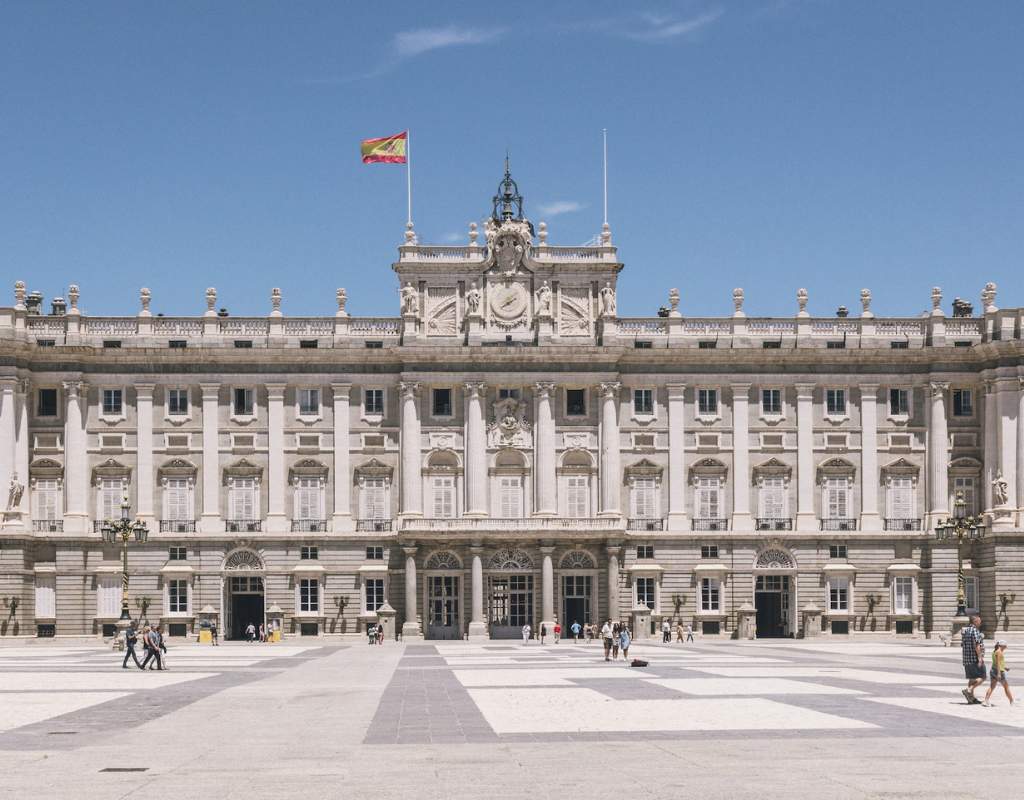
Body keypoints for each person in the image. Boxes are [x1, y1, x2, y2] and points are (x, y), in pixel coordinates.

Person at [961, 613, 987, 705]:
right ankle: (969, 690)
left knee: (972, 679)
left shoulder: (966, 630)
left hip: (966, 658)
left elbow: (962, 644)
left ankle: (971, 698)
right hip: (974, 659)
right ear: (975, 621)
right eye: (979, 621)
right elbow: (977, 644)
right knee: (983, 677)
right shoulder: (975, 630)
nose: (980, 622)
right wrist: (980, 658)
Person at [982, 641, 1014, 707]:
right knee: (1006, 687)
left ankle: (986, 700)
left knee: (992, 686)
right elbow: (998, 663)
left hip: (993, 670)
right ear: (1001, 646)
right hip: (998, 671)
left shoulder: (995, 651)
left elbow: (997, 662)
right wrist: (999, 673)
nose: (1005, 648)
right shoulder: (999, 652)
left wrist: (1005, 667)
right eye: (1005, 646)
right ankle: (1011, 701)